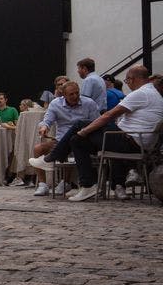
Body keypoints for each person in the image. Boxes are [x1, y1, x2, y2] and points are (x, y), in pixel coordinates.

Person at [33, 65, 163, 202]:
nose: (127, 84)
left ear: (132, 79)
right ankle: (85, 184)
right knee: (77, 141)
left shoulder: (141, 93)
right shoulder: (154, 94)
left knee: (79, 126)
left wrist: (84, 131)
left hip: (132, 141)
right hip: (139, 141)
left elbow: (108, 116)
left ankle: (53, 160)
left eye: (127, 81)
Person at [27, 80, 100, 196]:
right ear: (64, 95)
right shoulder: (56, 104)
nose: (75, 96)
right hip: (60, 139)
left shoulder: (89, 103)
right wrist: (44, 127)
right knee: (38, 149)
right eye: (71, 94)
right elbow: (47, 120)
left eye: (77, 93)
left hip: (83, 139)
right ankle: (43, 184)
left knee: (73, 145)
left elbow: (97, 122)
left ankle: (65, 182)